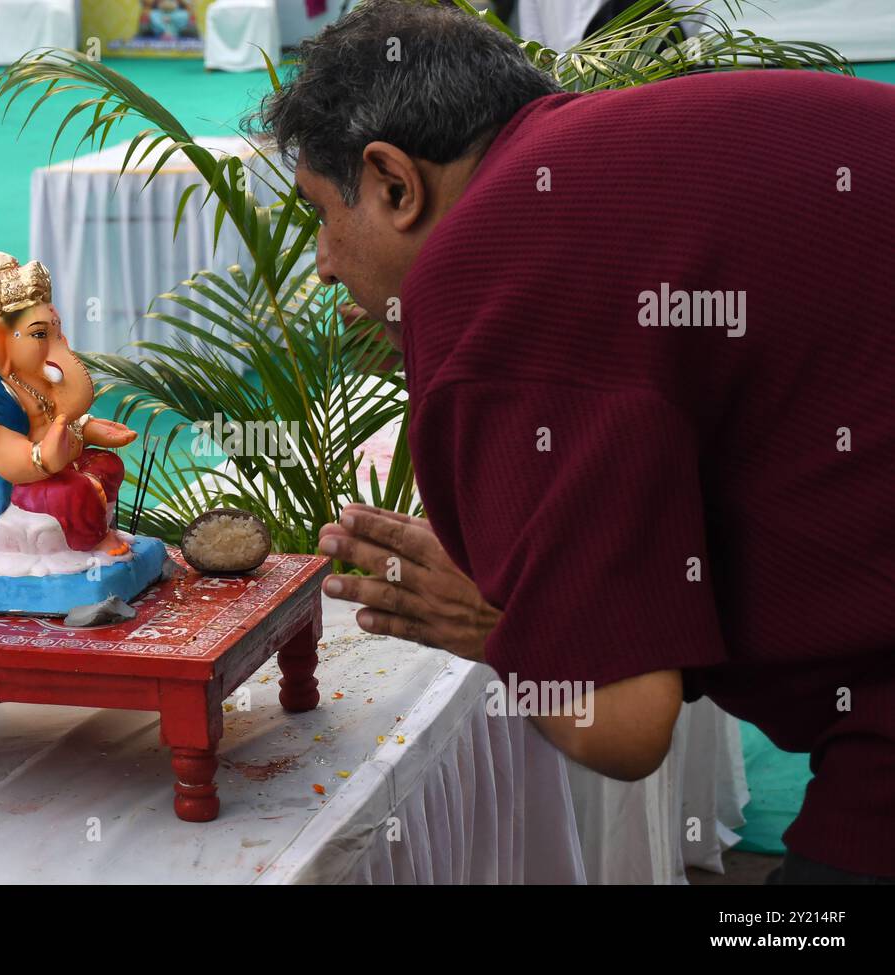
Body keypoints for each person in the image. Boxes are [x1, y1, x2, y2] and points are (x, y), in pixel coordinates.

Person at [246, 0, 895, 883]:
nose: (322, 260)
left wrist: (500, 623)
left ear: (395, 182)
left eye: (322, 213)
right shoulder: (596, 152)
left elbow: (627, 723)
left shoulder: (489, 271)